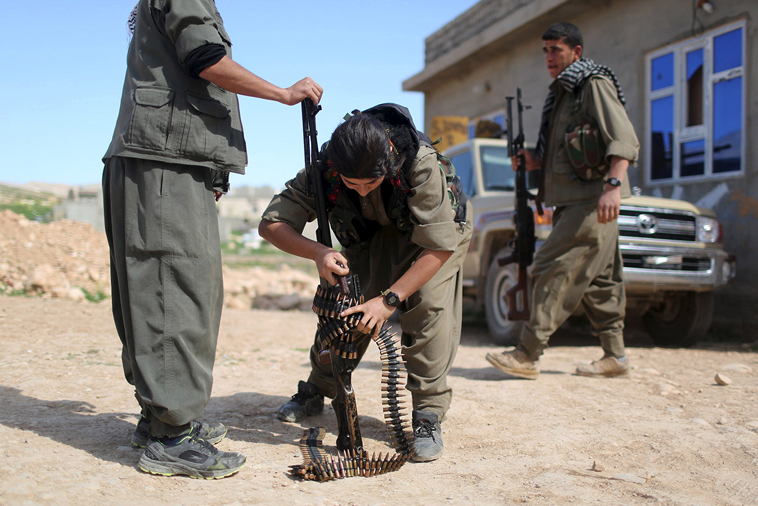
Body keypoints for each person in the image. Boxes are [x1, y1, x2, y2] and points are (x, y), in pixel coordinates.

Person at [102, 0, 322, 479]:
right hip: (164, 162)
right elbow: (207, 61)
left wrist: (216, 167)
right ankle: (170, 437)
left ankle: (162, 417)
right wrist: (284, 94)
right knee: (173, 293)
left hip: (174, 159)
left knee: (182, 290)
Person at [258, 104, 472, 462]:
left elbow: (439, 245)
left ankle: (429, 412)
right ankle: (318, 387)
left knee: (428, 306)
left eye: (370, 183)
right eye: (349, 183)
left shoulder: (419, 163)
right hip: (369, 236)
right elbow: (271, 224)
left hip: (435, 240)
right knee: (345, 307)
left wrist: (389, 300)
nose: (358, 191)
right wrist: (318, 252)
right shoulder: (325, 169)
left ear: (389, 158)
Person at [485, 22, 639, 380]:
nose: (549, 57)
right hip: (575, 199)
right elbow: (569, 150)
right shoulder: (564, 94)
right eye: (545, 50)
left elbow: (624, 138)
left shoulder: (592, 84)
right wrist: (532, 159)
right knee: (602, 280)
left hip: (593, 200)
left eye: (556, 49)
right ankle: (615, 356)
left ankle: (527, 352)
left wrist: (613, 185)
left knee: (550, 267)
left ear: (576, 52)